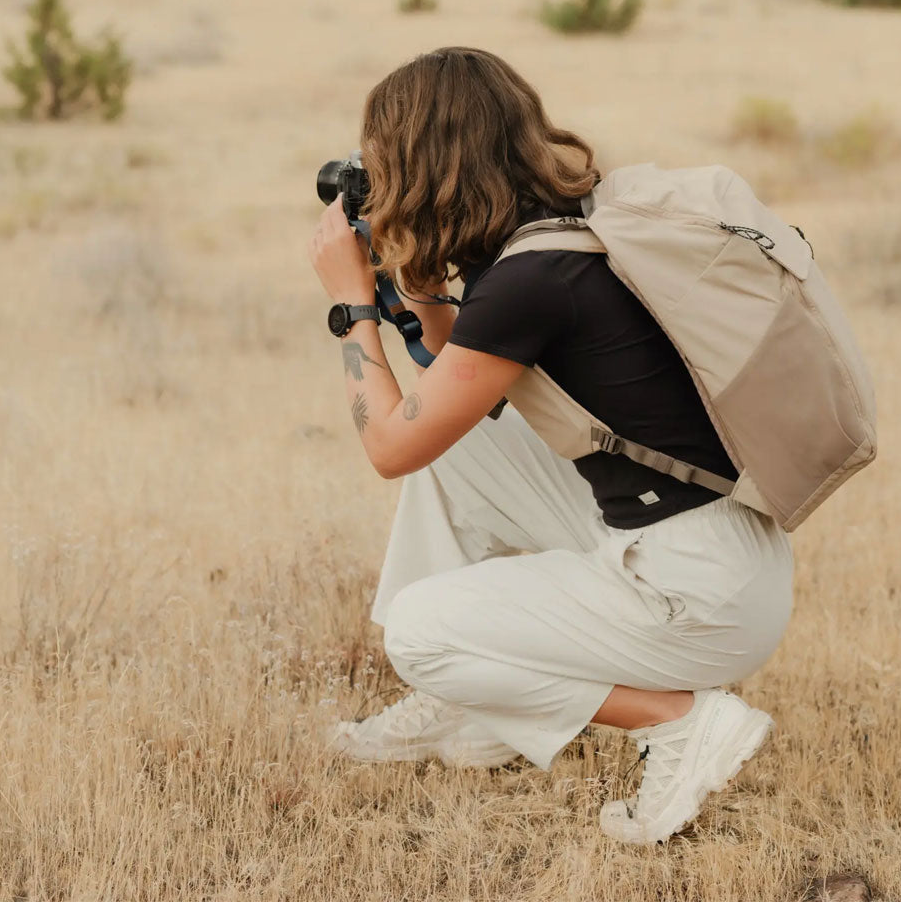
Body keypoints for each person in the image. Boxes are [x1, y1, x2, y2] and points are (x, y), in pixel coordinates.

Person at [307, 47, 793, 844]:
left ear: (424, 164)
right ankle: (476, 697)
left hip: (696, 596)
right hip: (723, 553)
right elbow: (453, 389)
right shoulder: (561, 237)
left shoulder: (528, 284)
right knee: (456, 448)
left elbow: (390, 445)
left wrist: (352, 307)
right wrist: (416, 284)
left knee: (421, 634)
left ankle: (680, 721)